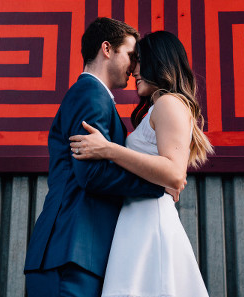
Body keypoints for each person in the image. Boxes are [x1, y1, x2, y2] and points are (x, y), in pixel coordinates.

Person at [24, 18, 179, 297]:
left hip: (78, 253)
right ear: (107, 49)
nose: (135, 67)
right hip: (71, 252)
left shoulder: (98, 98)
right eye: (131, 55)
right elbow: (91, 173)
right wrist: (158, 186)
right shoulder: (91, 94)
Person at [69, 30, 214, 297]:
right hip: (136, 219)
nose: (133, 69)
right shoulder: (156, 108)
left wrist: (109, 149)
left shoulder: (169, 103)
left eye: (139, 60)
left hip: (149, 221)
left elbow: (174, 172)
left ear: (158, 61)